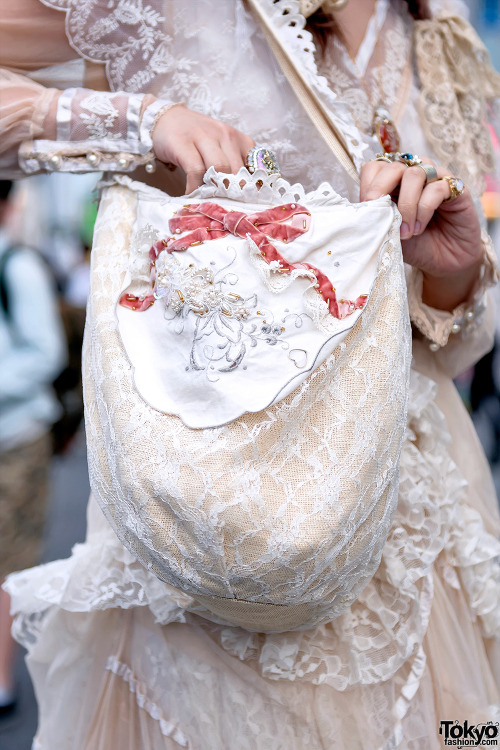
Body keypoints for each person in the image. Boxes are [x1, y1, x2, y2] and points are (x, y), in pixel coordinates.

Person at [0, 0, 499, 747]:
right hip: (220, 526)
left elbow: (457, 344)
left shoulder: (433, 25)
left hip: (425, 535)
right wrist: (142, 120)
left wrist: (455, 273)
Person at [0, 179, 67, 715]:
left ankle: (1, 682)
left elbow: (46, 352)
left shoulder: (17, 267)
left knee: (8, 565)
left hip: (14, 440)